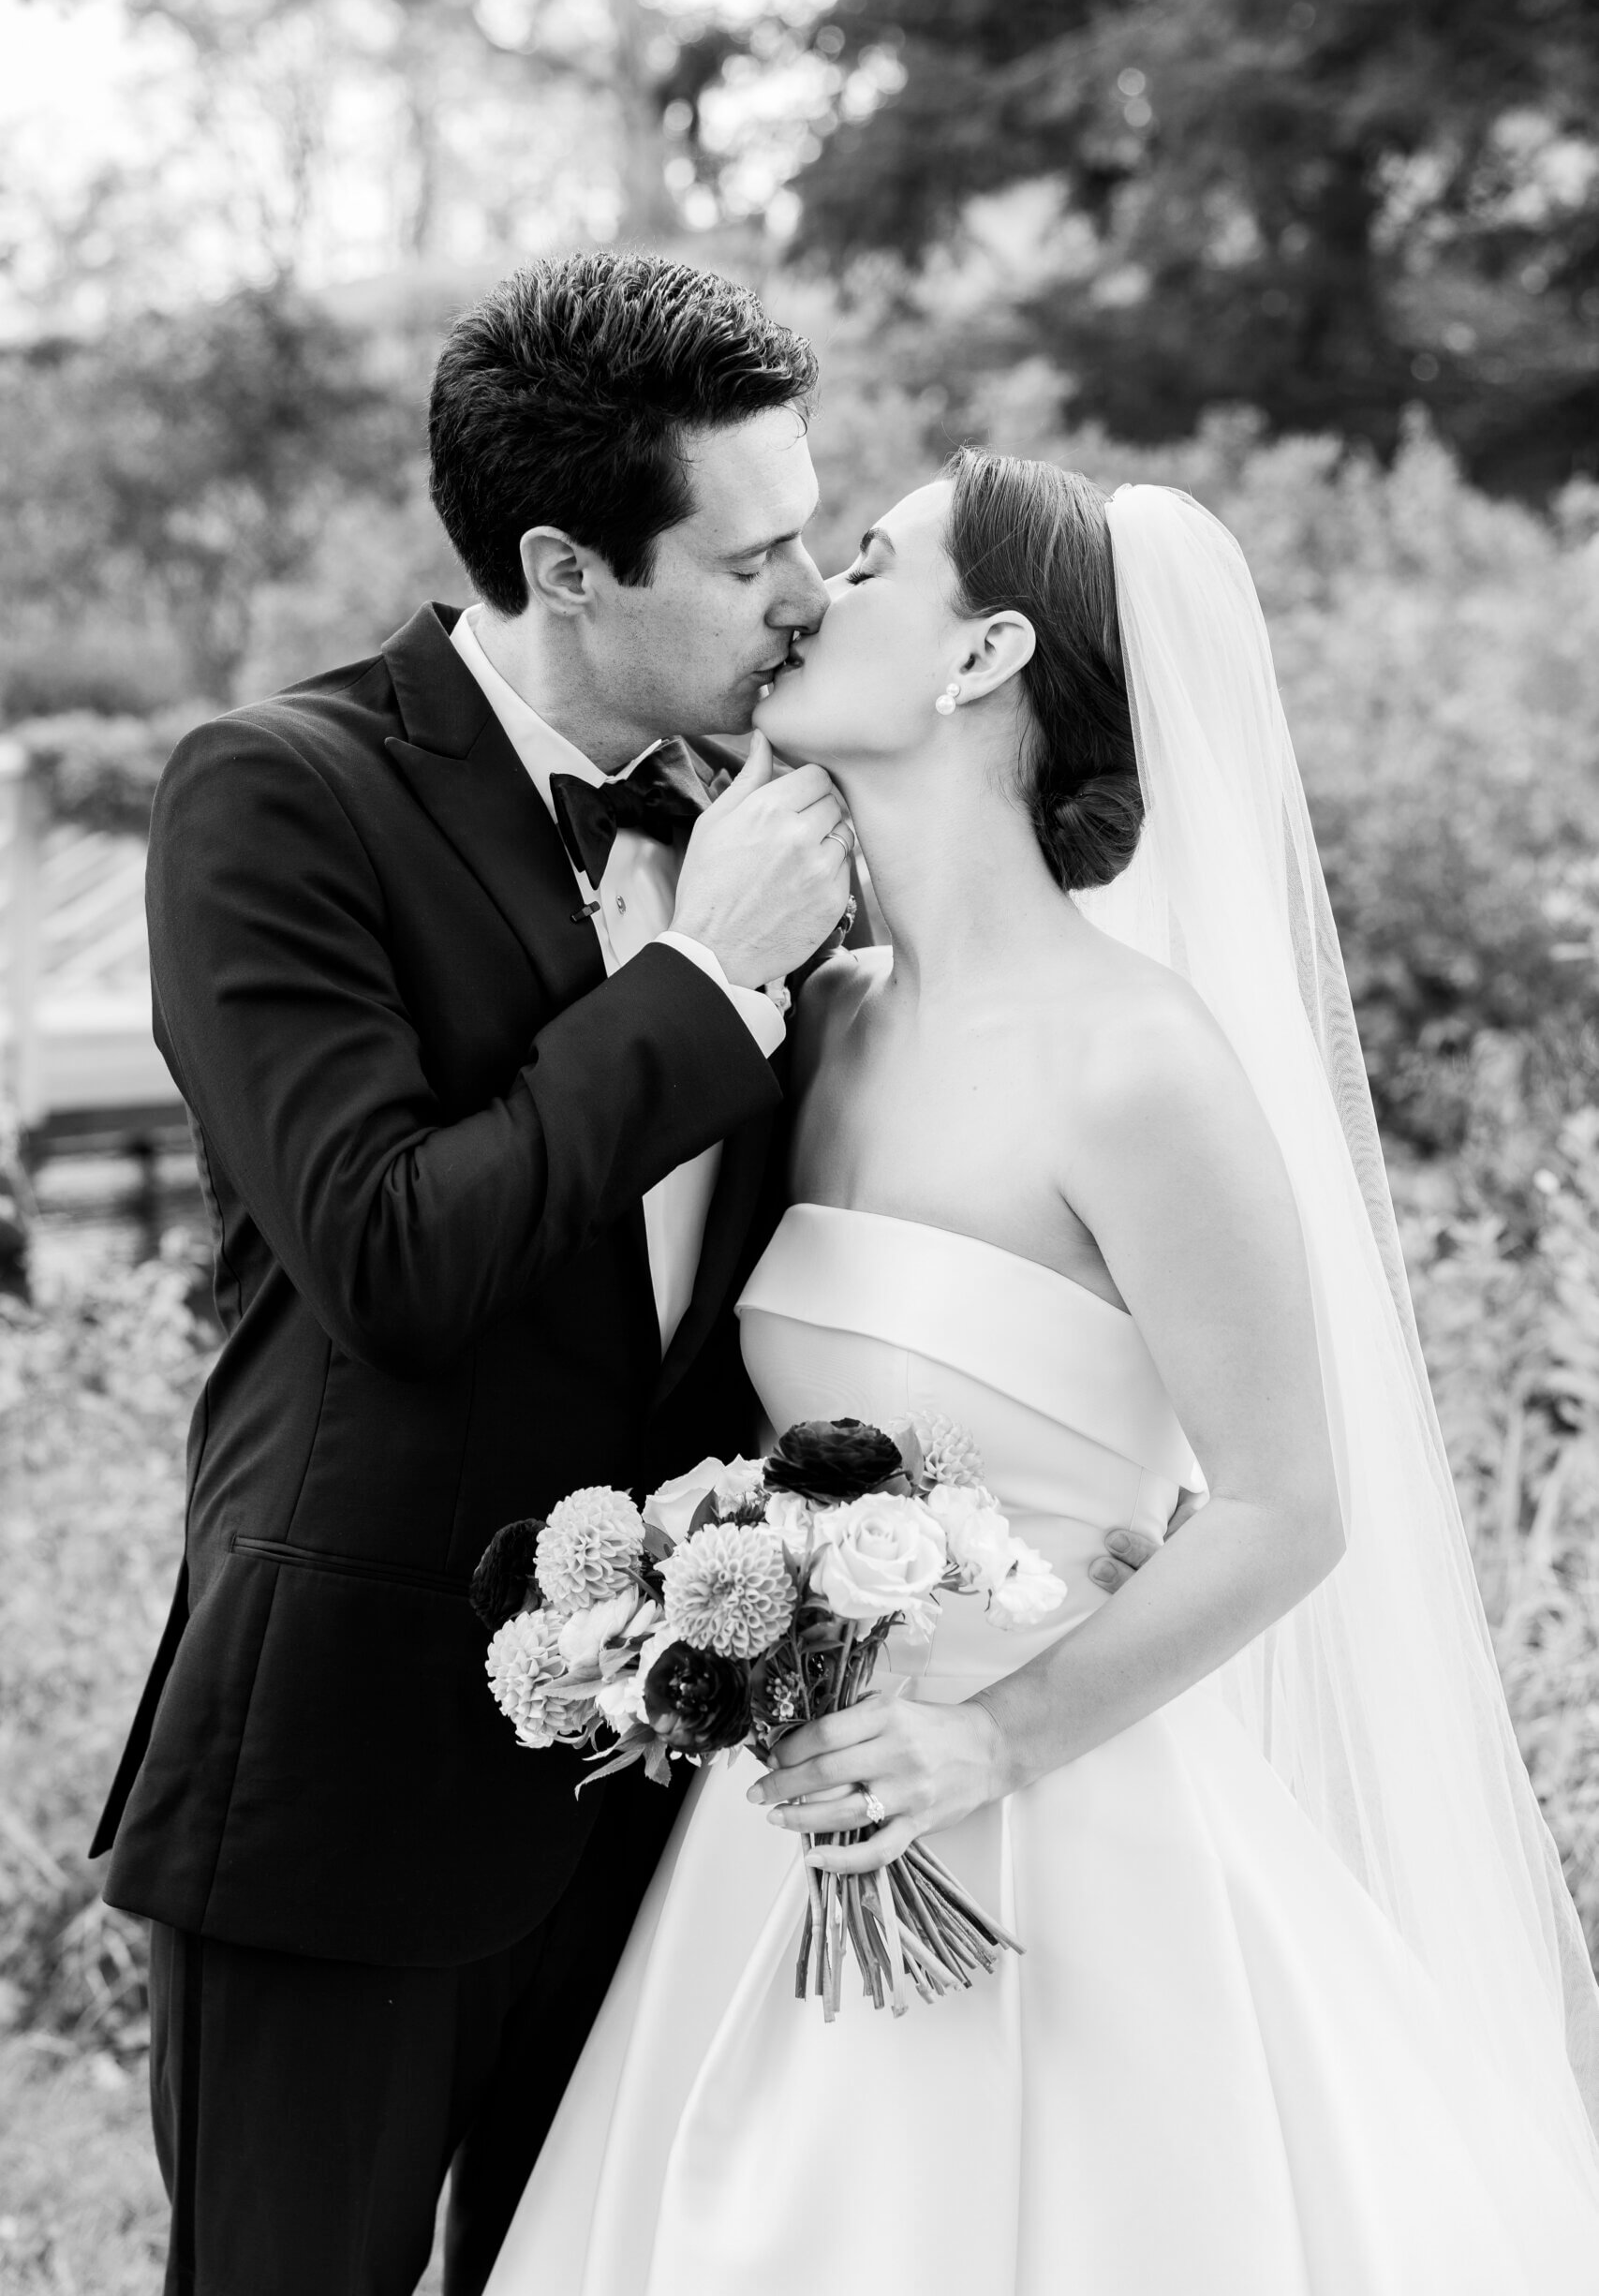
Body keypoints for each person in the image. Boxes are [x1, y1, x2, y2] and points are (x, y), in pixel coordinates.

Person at [484, 454, 1599, 2294]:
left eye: (865, 563)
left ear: (982, 652)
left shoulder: (1135, 1065)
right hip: (791, 1820)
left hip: (1062, 1835)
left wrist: (984, 1737)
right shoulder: (814, 1023)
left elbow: (1284, 1507)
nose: (805, 597)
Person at [90, 250, 865, 2296]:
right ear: (566, 568)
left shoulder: (770, 824)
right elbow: (389, 1249)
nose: (807, 595)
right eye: (753, 556)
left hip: (663, 1803)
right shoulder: (277, 793)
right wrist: (703, 974)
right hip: (347, 1780)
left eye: (813, 535)